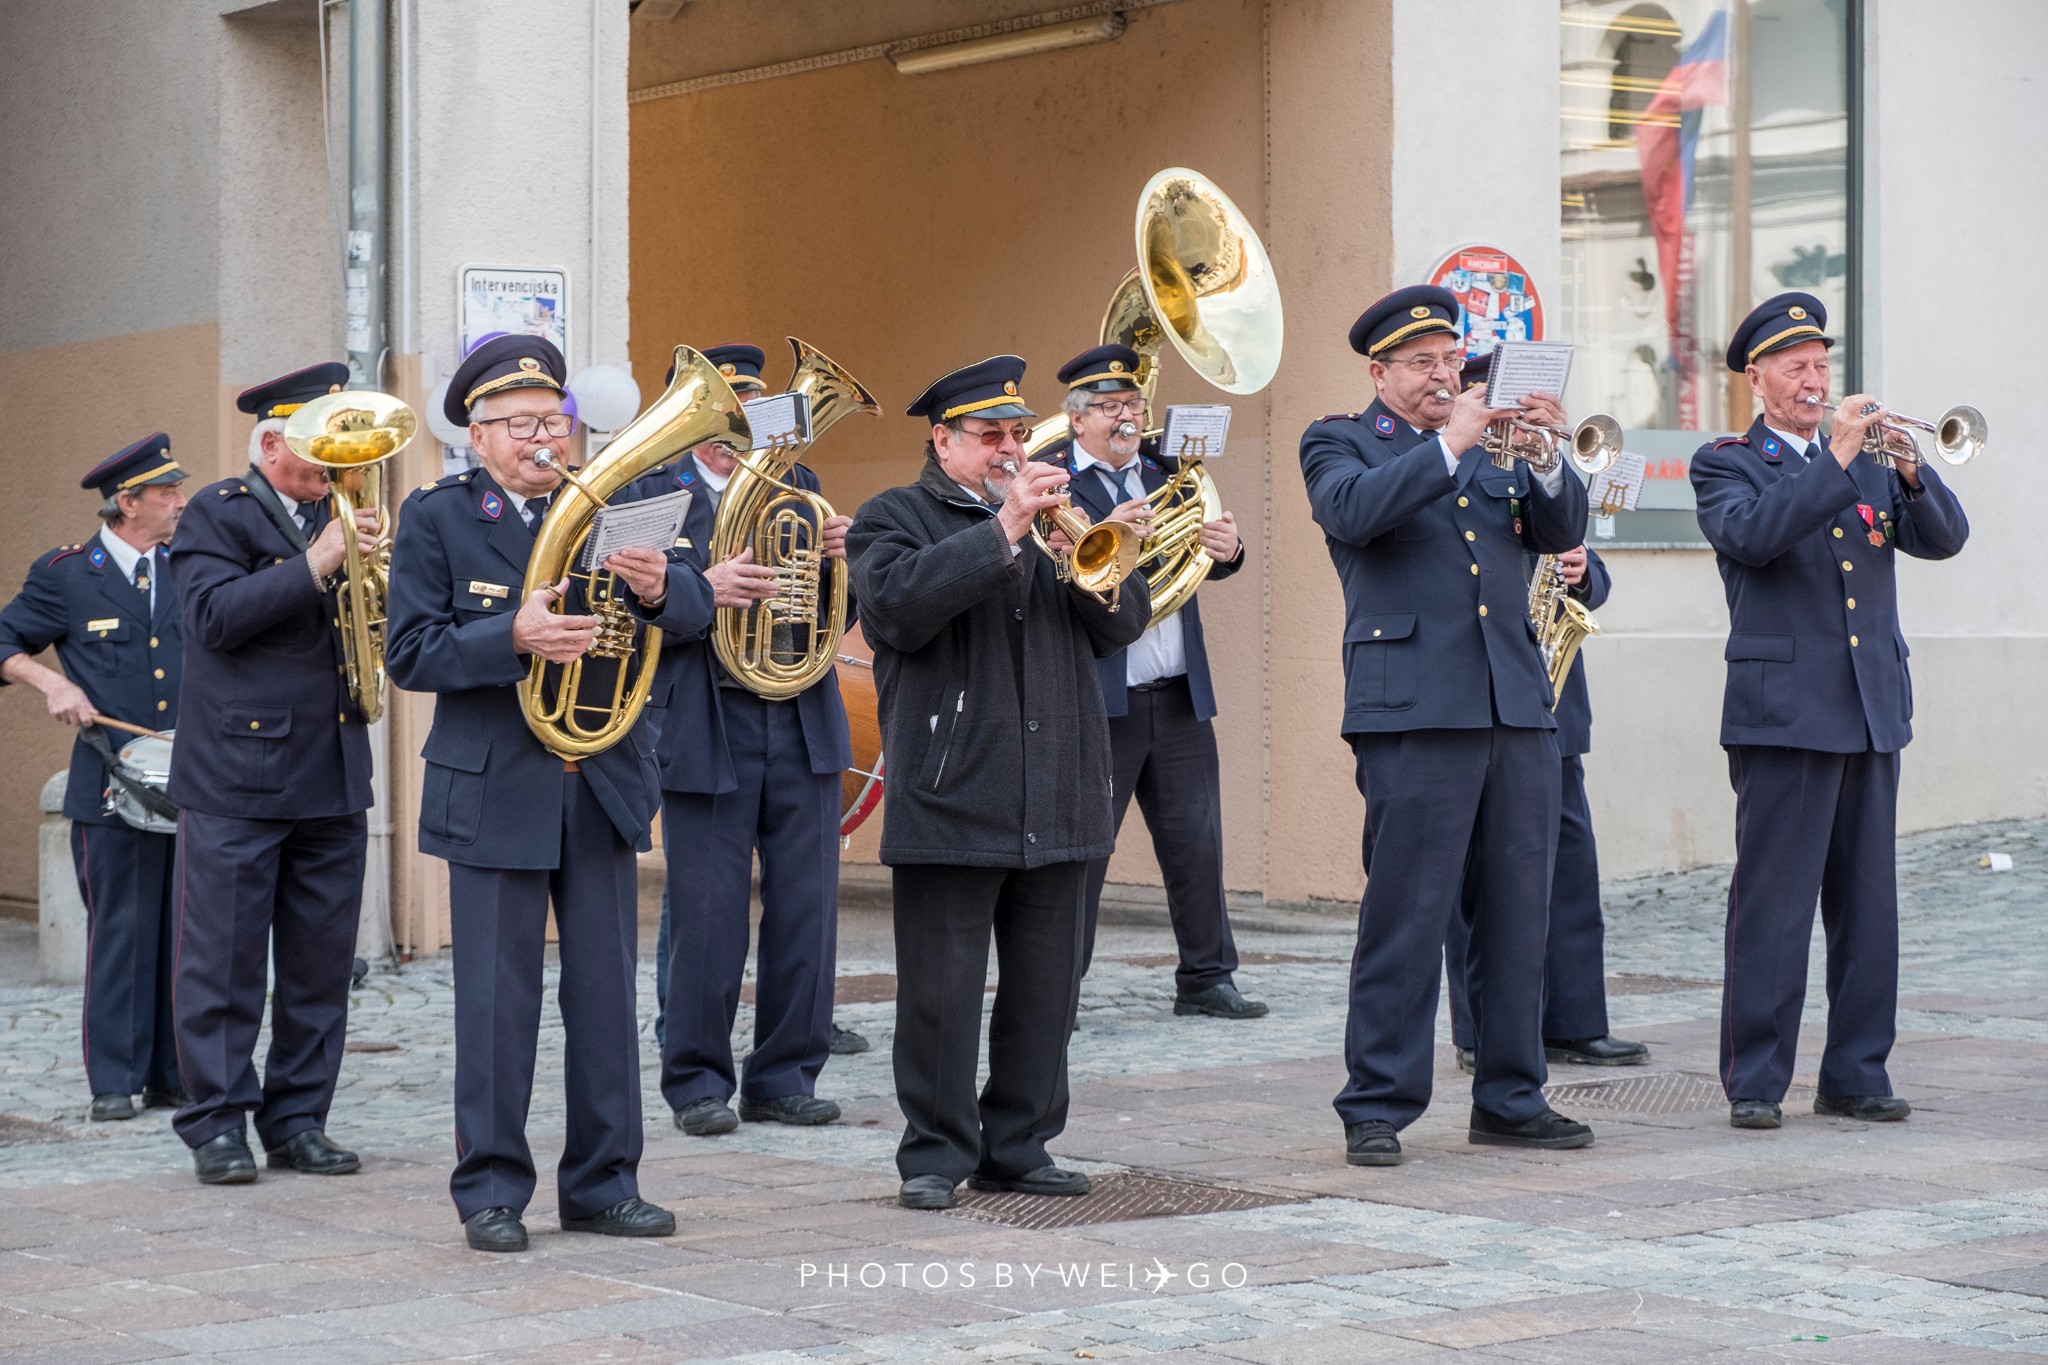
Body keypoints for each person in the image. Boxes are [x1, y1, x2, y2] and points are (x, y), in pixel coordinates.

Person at [386, 334, 710, 1252]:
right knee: (497, 1002)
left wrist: (658, 592)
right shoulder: (440, 517)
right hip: (496, 788)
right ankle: (490, 1191)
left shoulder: (620, 502)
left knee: (605, 995)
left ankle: (605, 1183)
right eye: (520, 425)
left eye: (551, 421)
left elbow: (692, 615)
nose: (542, 438)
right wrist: (511, 639)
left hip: (599, 778)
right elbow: (410, 653)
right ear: (479, 437)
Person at [1298, 285, 1594, 1168]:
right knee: (1407, 912)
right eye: (1423, 363)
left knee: (1517, 913)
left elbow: (1559, 529)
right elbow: (1355, 513)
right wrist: (1452, 437)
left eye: (1451, 360)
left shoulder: (1495, 442)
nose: (1443, 375)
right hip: (1414, 706)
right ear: (1379, 371)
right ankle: (1376, 1102)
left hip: (1513, 699)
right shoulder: (1340, 441)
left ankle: (1510, 1093)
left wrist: (1546, 457)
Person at [848, 355, 1149, 1210]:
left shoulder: (1061, 517)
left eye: (1018, 434)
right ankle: (935, 1153)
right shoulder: (892, 517)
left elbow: (1121, 624)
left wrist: (1091, 548)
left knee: (1047, 987)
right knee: (941, 990)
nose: (1011, 451)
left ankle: (1020, 1144)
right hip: (953, 786)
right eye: (990, 438)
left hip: (1058, 787)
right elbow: (897, 608)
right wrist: (1004, 532)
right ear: (943, 441)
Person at [1691, 292, 1968, 1131]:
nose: (1815, 381)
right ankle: (1756, 1079)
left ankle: (1855, 1070)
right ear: (1758, 378)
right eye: (1797, 368)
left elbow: (1946, 538)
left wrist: (1914, 470)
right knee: (1774, 904)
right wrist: (1837, 457)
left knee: (1867, 906)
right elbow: (1756, 537)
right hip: (1784, 710)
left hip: (1870, 704)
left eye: (1821, 366)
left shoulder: (1874, 462)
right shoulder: (1727, 461)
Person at [168, 363, 378, 1185]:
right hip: (238, 774)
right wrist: (318, 561)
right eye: (319, 440)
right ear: (270, 443)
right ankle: (216, 1123)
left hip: (331, 766)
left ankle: (298, 1119)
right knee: (222, 962)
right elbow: (212, 620)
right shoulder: (217, 514)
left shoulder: (345, 512)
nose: (335, 457)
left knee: (320, 965)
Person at [638, 344, 852, 1138]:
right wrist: (705, 588)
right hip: (707, 715)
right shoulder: (651, 491)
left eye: (752, 406)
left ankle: (787, 1073)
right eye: (726, 408)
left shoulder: (799, 487)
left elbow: (831, 616)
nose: (740, 425)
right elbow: (629, 608)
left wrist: (840, 568)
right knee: (708, 909)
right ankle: (696, 1078)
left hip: (798, 708)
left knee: (808, 906)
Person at [1040, 344, 1263, 1021]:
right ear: (1076, 420)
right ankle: (1056, 988)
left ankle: (1207, 975)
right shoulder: (1052, 486)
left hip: (1177, 689)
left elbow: (1193, 559)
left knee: (1197, 840)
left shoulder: (1170, 473)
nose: (1127, 418)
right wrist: (1104, 534)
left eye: (1133, 405)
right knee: (1083, 853)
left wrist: (1230, 551)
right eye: (1110, 408)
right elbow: (1048, 581)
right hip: (1097, 698)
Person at [1445, 353, 1647, 1074]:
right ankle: (1478, 1029)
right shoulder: (1464, 461)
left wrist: (1581, 566)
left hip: (1552, 691)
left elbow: (1592, 578)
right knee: (1478, 876)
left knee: (1570, 867)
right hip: (1484, 693)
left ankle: (1575, 1020)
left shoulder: (1535, 458)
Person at [0, 434, 188, 1121]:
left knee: (184, 931)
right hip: (111, 780)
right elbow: (4, 640)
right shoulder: (66, 573)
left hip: (188, 778)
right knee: (123, 931)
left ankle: (173, 1072)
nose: (179, 502)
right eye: (166, 492)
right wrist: (51, 683)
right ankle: (115, 1077)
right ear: (126, 503)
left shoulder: (186, 562)